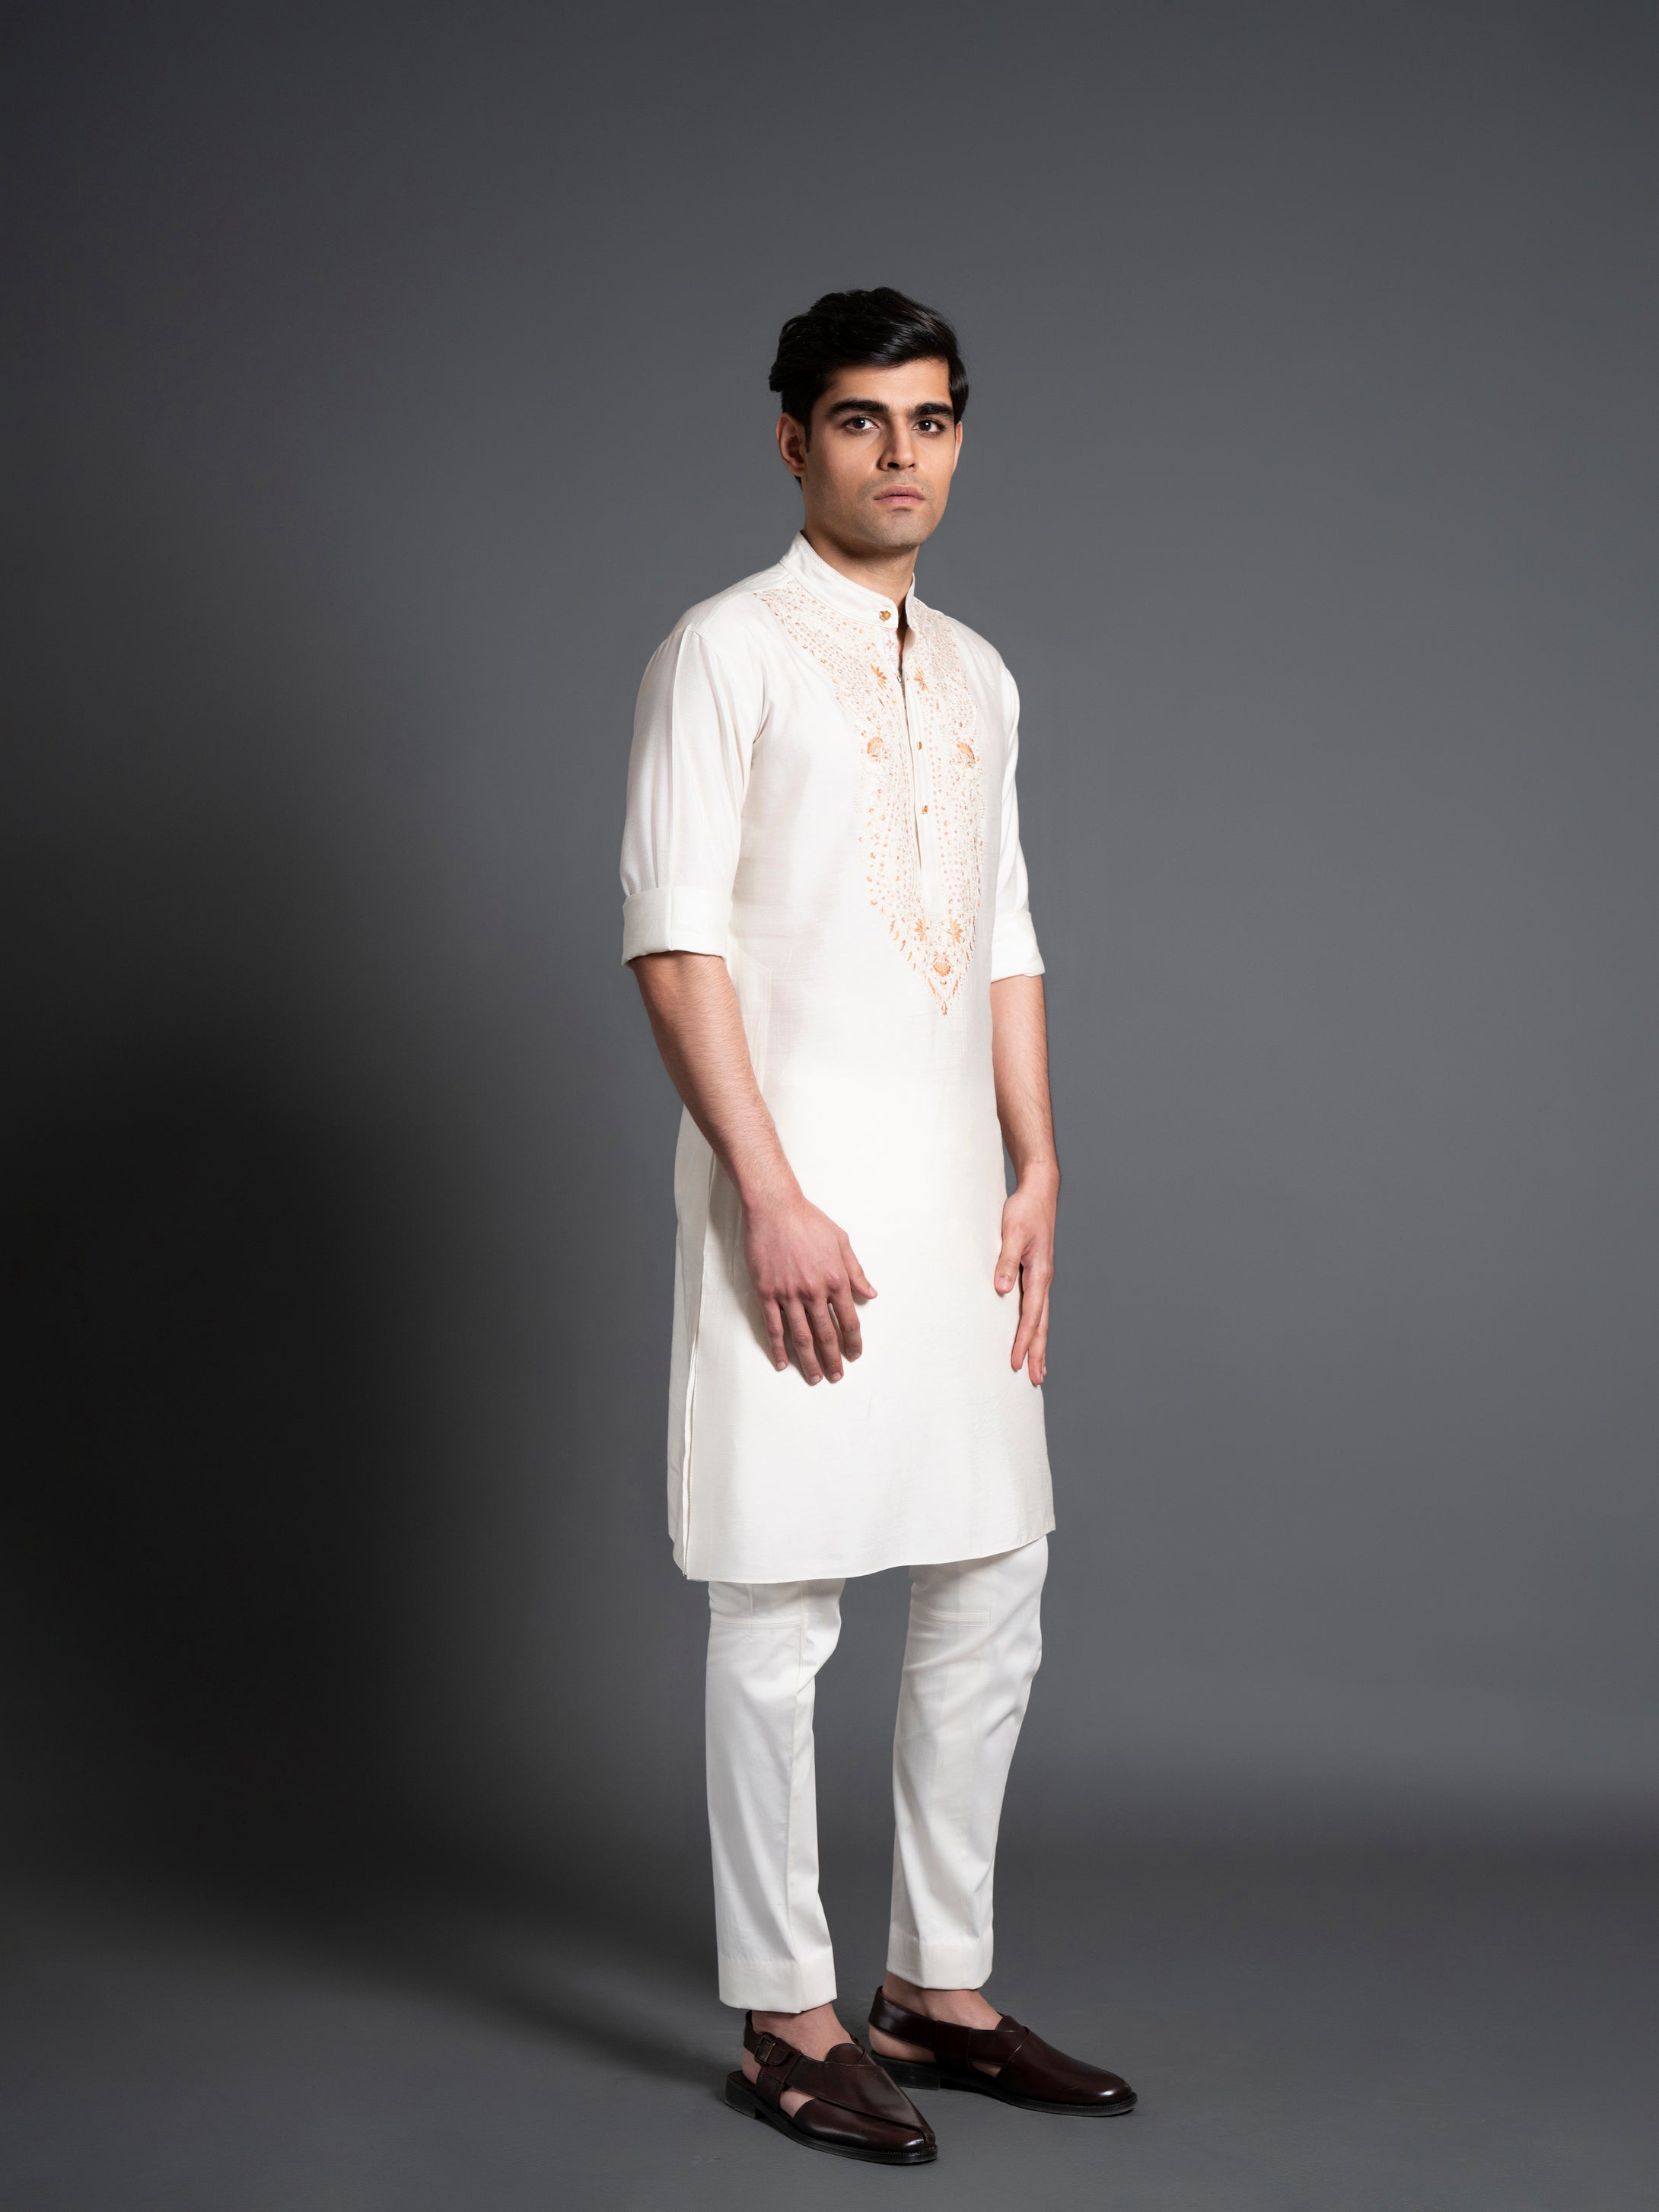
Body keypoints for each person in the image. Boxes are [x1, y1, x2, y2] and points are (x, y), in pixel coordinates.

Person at [619, 288, 1135, 2166]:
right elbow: (674, 933)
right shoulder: (725, 649)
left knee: (994, 1570)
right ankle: (784, 2012)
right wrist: (766, 1193)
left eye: (928, 419)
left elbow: (1003, 926)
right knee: (779, 1601)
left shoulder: (981, 672)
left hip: (951, 1190)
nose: (898, 453)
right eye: (859, 418)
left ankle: (937, 1987)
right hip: (793, 1189)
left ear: (959, 438)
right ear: (793, 441)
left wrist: (1038, 1161)